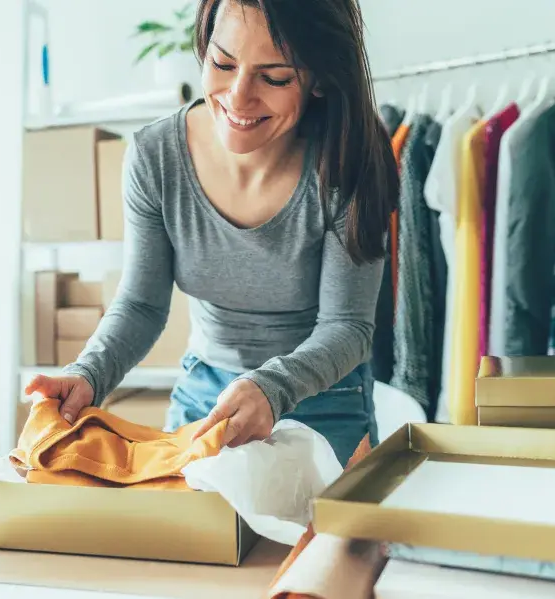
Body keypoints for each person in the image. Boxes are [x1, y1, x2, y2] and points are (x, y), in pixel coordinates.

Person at [25, 0, 397, 465]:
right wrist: (89, 374)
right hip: (206, 395)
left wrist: (272, 386)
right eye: (223, 63)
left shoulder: (349, 160)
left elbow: (348, 327)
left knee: (313, 540)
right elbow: (142, 305)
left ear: (320, 77)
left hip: (324, 399)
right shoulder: (155, 156)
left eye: (275, 77)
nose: (238, 97)